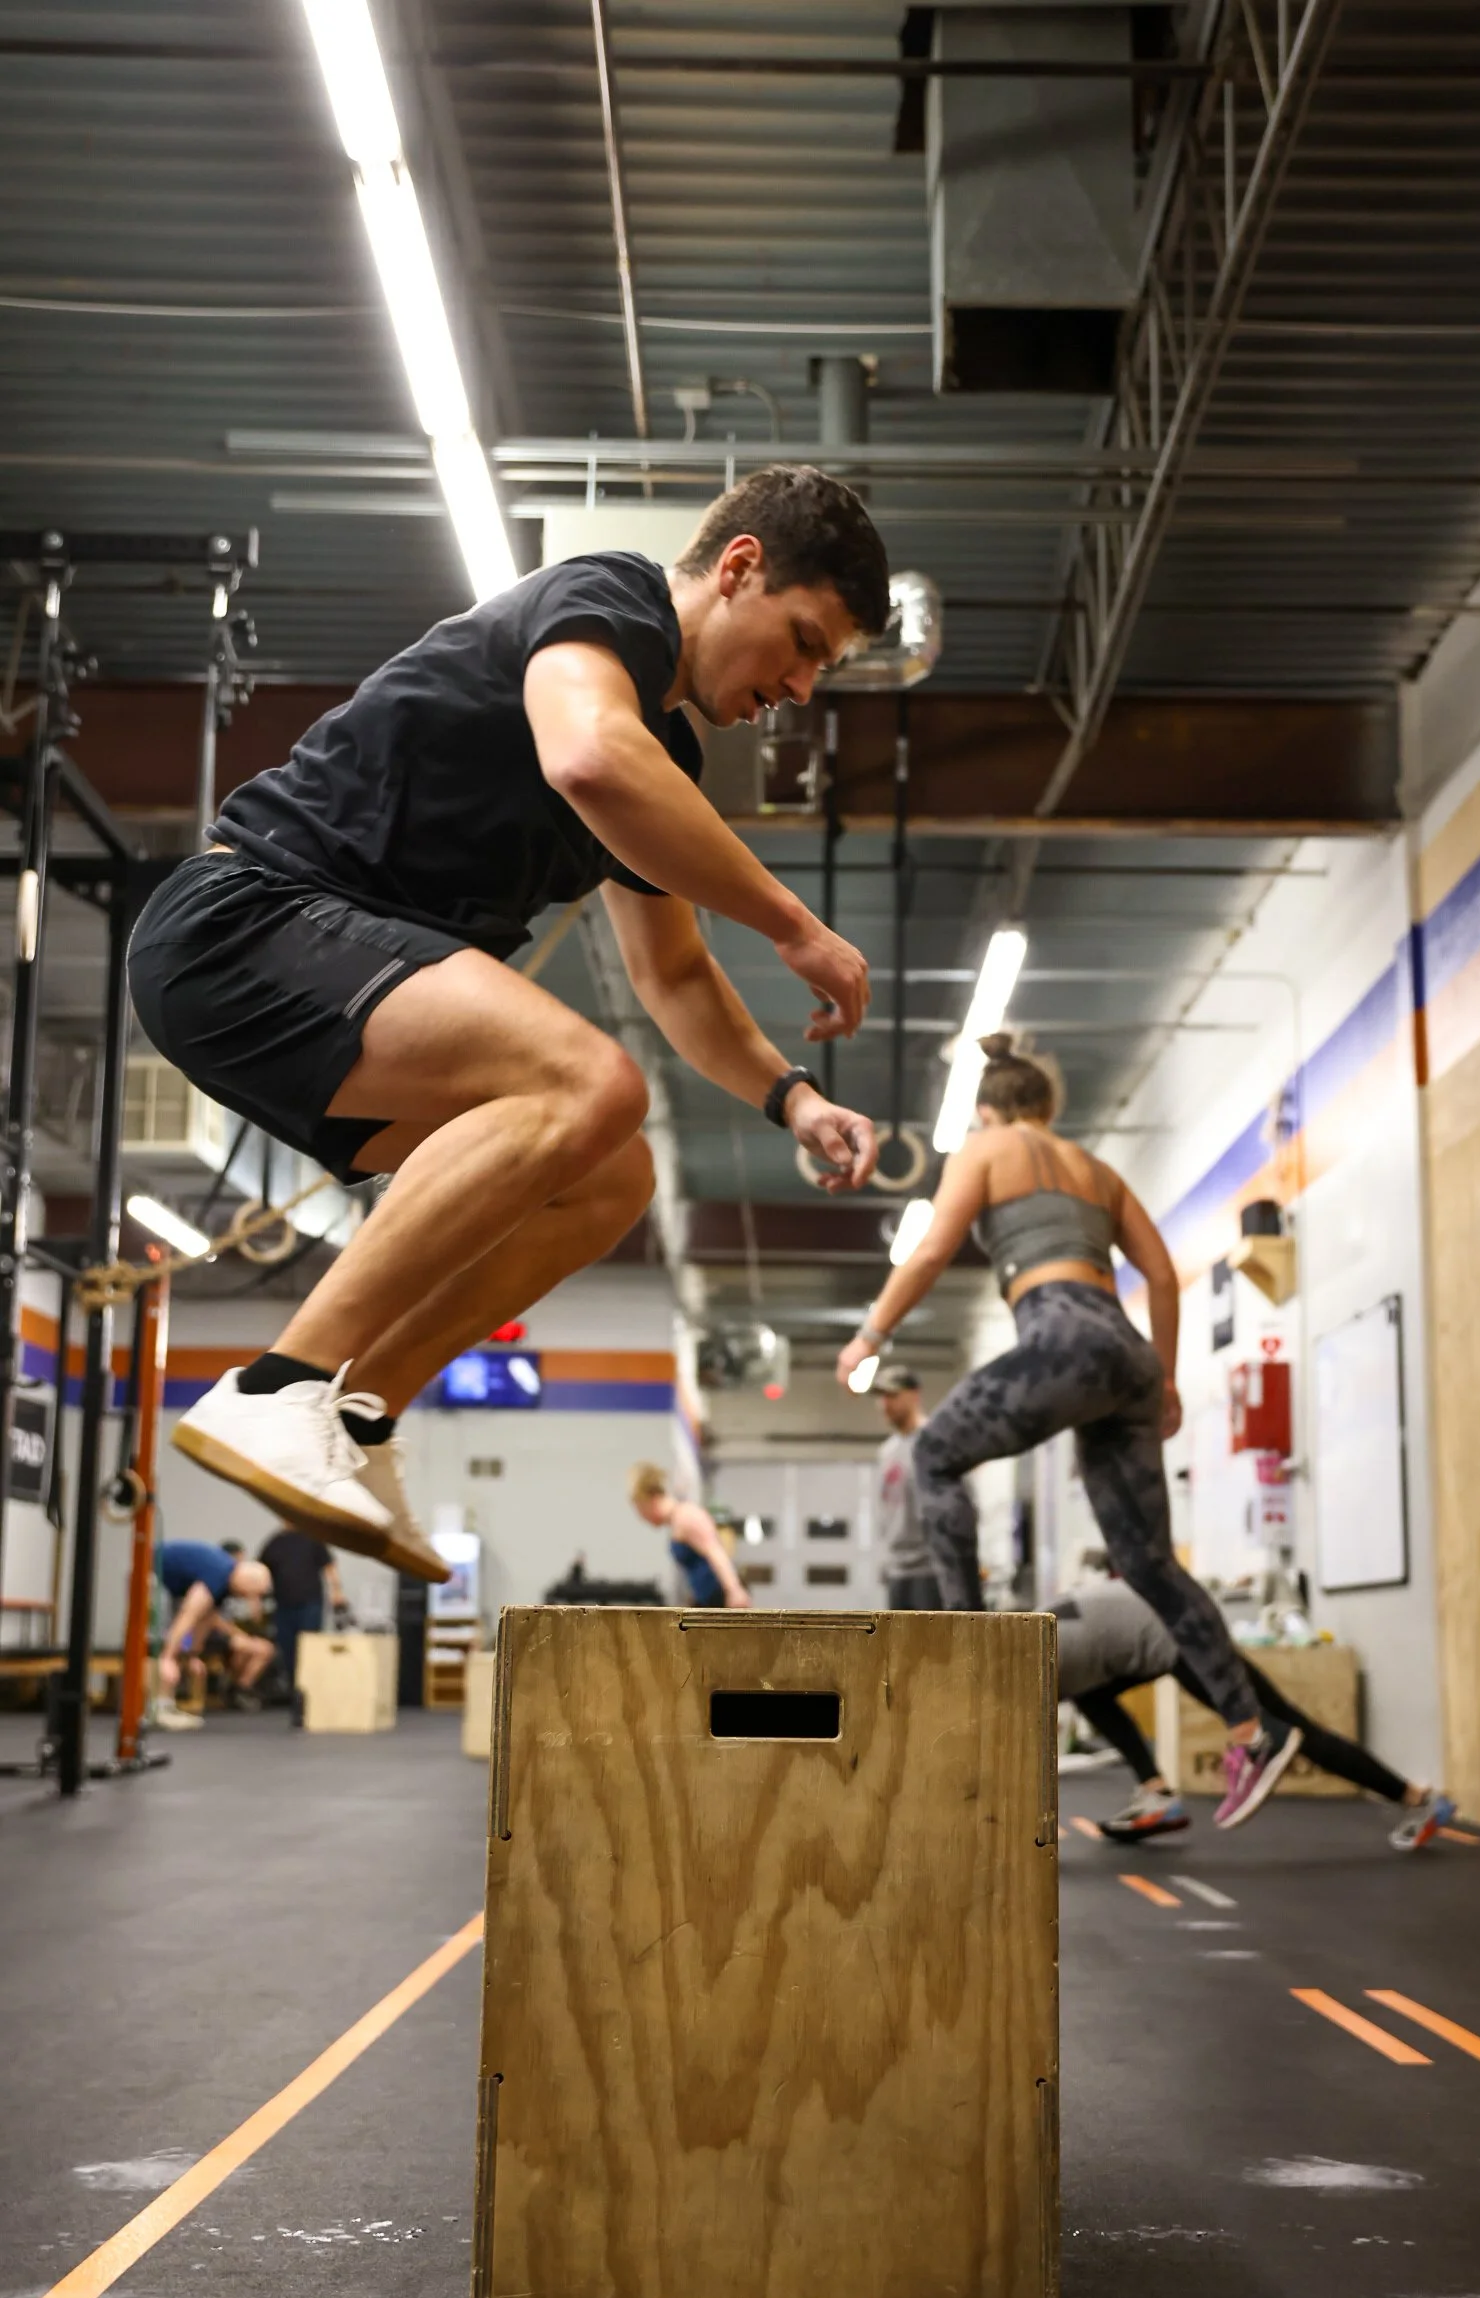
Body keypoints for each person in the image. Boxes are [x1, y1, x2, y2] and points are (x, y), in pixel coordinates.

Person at [127, 468, 889, 1587]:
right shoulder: (608, 601)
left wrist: (794, 1097)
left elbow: (675, 977)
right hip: (244, 926)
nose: (803, 685)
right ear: (738, 572)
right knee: (591, 1083)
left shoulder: (660, 760)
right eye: (803, 641)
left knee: (610, 1175)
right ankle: (279, 1387)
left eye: (824, 666)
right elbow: (584, 753)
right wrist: (793, 924)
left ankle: (358, 1415)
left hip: (315, 977)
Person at [836, 1032, 1300, 1831]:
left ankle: (969, 1656)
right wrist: (1164, 1378)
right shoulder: (1099, 1170)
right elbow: (1159, 1273)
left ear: (988, 1110)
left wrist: (870, 1336)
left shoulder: (983, 1149)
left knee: (936, 1454)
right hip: (1124, 1353)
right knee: (1147, 1563)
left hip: (1058, 1337)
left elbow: (935, 1249)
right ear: (1048, 1107)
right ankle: (1254, 1729)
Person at [1052, 1577, 1459, 1852]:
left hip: (1183, 1637)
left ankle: (1417, 1798)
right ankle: (1156, 1794)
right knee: (1094, 1698)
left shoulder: (1030, 1663)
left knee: (1289, 1728)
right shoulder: (1029, 1644)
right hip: (1157, 1628)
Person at [153, 1538, 276, 1730]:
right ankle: (158, 1709)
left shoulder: (223, 1586)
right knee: (166, 1647)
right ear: (245, 1583)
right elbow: (188, 1615)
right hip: (150, 1571)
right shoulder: (217, 1573)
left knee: (178, 1645)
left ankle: (166, 1706)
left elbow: (204, 1620)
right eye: (249, 1594)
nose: (246, 1599)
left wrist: (192, 1654)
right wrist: (168, 1656)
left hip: (170, 1586)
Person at [871, 1366, 959, 1610]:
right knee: (897, 1647)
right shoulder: (887, 1452)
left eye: (892, 1395)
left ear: (914, 1395)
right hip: (898, 1571)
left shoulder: (935, 1441)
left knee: (929, 1647)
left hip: (930, 1570)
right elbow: (885, 1510)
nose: (884, 1404)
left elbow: (958, 1506)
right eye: (881, 1397)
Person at [258, 1520, 348, 1724]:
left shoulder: (313, 1538)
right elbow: (261, 1571)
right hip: (283, 1606)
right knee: (289, 1653)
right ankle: (296, 1699)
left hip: (310, 1604)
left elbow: (329, 1566)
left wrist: (337, 1591)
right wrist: (255, 1601)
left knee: (309, 1652)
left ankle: (310, 1700)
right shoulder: (274, 1543)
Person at [628, 1464, 752, 1609]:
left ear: (651, 1499)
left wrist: (734, 1591)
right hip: (707, 1599)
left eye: (640, 1510)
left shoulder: (686, 1516)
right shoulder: (677, 1520)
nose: (643, 1518)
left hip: (720, 1598)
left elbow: (715, 1551)